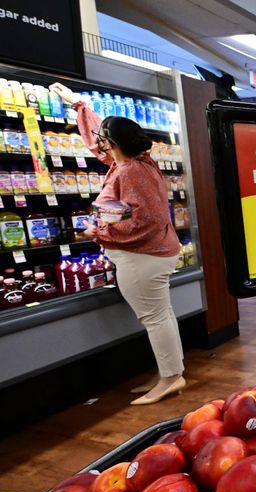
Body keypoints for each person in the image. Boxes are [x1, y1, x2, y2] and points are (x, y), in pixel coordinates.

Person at [50, 83, 185, 405]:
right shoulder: (132, 161)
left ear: (112, 144)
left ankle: (170, 378)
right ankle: (170, 371)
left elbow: (146, 220)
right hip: (151, 254)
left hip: (143, 257)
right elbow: (102, 141)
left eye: (102, 140)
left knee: (155, 318)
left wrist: (98, 233)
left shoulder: (131, 171)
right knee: (161, 315)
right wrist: (80, 106)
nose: (98, 143)